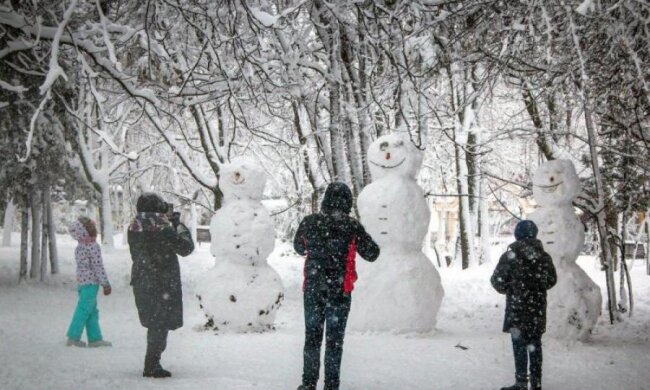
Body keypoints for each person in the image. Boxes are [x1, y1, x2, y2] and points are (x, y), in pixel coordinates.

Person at [293, 182, 380, 390]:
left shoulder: (309, 222)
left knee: (312, 337)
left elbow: (298, 247)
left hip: (313, 289)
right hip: (340, 291)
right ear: (348, 202)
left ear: (325, 200)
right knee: (334, 341)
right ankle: (331, 385)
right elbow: (372, 253)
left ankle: (308, 384)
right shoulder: (352, 226)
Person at [128, 193, 194, 378]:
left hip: (142, 280)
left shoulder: (135, 226)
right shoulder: (162, 228)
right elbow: (186, 248)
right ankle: (151, 364)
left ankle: (152, 362)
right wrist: (178, 225)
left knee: (155, 322)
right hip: (162, 282)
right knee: (159, 323)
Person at [491, 220, 557, 390]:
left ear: (517, 234)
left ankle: (521, 382)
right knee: (535, 344)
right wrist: (536, 287)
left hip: (516, 309)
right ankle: (536, 383)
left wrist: (512, 289)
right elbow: (551, 280)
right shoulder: (544, 257)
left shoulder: (510, 257)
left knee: (519, 345)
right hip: (537, 309)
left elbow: (497, 281)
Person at [66, 217, 112, 348]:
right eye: (93, 229)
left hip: (82, 283)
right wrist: (105, 283)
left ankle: (95, 338)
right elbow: (98, 267)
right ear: (88, 232)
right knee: (83, 310)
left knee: (91, 310)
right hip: (91, 284)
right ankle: (73, 337)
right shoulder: (93, 247)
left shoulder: (80, 247)